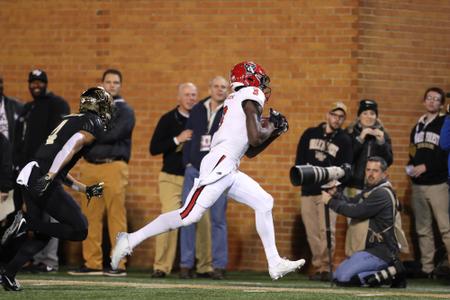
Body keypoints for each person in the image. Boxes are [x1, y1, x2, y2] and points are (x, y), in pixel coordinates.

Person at [111, 61, 305, 280]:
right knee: (187, 216)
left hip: (227, 165)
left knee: (264, 202)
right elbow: (255, 137)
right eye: (259, 79)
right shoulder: (250, 94)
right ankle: (129, 240)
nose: (262, 85)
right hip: (220, 164)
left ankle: (274, 262)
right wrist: (272, 126)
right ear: (249, 79)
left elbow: (251, 149)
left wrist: (274, 130)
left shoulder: (237, 99)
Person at [0, 87, 112, 291]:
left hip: (31, 173)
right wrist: (50, 176)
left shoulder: (71, 119)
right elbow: (71, 145)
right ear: (99, 106)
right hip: (42, 176)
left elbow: (58, 161)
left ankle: (8, 274)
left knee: (43, 234)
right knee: (80, 229)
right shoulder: (92, 123)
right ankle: (26, 222)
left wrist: (83, 188)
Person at [68, 69, 135, 277]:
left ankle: (118, 264)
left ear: (120, 85)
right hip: (89, 167)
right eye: (109, 82)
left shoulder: (125, 110)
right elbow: (78, 132)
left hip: (113, 166)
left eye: (116, 82)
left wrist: (91, 132)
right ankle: (92, 263)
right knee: (90, 216)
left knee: (116, 216)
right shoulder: (93, 109)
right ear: (102, 84)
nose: (112, 85)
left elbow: (113, 134)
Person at [13, 70, 71, 273]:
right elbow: (21, 141)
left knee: (51, 213)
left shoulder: (57, 104)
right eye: (33, 82)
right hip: (28, 171)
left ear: (46, 83)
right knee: (36, 216)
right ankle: (37, 258)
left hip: (47, 170)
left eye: (40, 82)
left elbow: (62, 138)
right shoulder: (28, 108)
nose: (36, 85)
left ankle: (49, 261)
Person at [323, 156, 406, 288]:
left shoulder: (382, 193)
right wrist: (336, 195)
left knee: (344, 279)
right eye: (368, 170)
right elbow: (351, 202)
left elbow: (357, 211)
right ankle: (386, 273)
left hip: (381, 251)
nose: (370, 174)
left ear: (385, 174)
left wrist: (330, 202)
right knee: (337, 276)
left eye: (375, 170)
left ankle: (393, 273)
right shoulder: (371, 190)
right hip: (369, 250)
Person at [294, 102, 352, 281]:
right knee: (312, 232)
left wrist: (337, 187)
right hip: (308, 191)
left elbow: (347, 168)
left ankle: (327, 268)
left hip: (328, 191)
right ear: (328, 114)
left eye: (341, 117)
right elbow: (299, 160)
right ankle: (318, 267)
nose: (337, 119)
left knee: (327, 230)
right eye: (334, 115)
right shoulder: (310, 134)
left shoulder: (344, 140)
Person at [180, 76, 229, 279]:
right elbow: (189, 135)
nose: (219, 90)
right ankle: (185, 264)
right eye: (216, 86)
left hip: (218, 173)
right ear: (209, 88)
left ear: (228, 91)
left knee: (218, 220)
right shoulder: (198, 109)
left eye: (223, 87)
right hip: (194, 171)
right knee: (188, 217)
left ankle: (218, 266)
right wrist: (188, 162)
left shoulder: (231, 111)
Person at [148, 82, 196, 278]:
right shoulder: (168, 119)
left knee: (195, 222)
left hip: (193, 179)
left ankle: (197, 267)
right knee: (168, 220)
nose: (190, 98)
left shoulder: (201, 120)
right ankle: (161, 266)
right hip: (170, 178)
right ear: (179, 97)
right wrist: (178, 139)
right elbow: (154, 148)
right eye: (187, 94)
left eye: (194, 95)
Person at [407, 87, 450, 278]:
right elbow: (412, 150)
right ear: (424, 101)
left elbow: (443, 154)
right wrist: (411, 166)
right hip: (418, 185)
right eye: (429, 98)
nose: (432, 101)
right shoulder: (417, 126)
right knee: (422, 229)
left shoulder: (444, 123)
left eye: (436, 99)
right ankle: (427, 268)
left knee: (446, 228)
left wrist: (427, 167)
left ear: (441, 104)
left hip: (438, 184)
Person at [344, 99, 394, 256]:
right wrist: (360, 139)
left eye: (372, 113)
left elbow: (389, 160)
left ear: (376, 116)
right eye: (365, 113)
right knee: (354, 224)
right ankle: (354, 258)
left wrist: (381, 143)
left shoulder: (383, 135)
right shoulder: (351, 133)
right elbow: (347, 158)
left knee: (373, 226)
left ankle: (370, 258)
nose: (369, 116)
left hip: (375, 188)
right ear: (359, 116)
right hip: (354, 185)